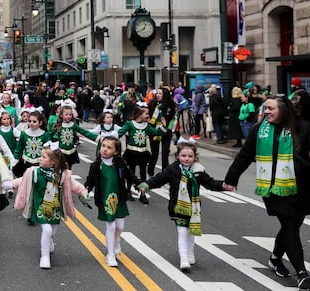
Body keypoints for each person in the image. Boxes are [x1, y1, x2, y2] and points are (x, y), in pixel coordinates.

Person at [223, 95, 310, 290]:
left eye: (271, 108)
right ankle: (302, 273)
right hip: (273, 187)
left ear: (284, 110)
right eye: (265, 108)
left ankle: (275, 257)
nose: (266, 112)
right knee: (289, 226)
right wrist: (231, 179)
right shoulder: (258, 130)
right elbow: (245, 155)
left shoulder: (301, 127)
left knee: (293, 224)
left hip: (301, 185)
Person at [140, 139, 224, 271]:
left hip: (194, 207)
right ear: (177, 156)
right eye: (183, 156)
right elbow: (159, 179)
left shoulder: (198, 170)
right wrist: (147, 185)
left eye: (190, 156)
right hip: (177, 205)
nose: (186, 158)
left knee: (191, 230)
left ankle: (190, 253)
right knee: (182, 230)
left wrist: (224, 185)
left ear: (195, 157)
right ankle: (184, 258)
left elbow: (210, 184)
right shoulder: (172, 169)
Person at [13, 143, 89, 269]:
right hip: (40, 208)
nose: (40, 159)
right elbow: (23, 180)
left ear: (53, 162)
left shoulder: (62, 175)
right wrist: (11, 184)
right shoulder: (35, 172)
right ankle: (44, 256)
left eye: (43, 157)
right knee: (47, 230)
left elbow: (72, 184)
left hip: (54, 208)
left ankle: (50, 240)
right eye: (41, 156)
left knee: (52, 231)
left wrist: (82, 191)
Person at [84, 136, 137, 267]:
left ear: (116, 152)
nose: (105, 149)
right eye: (103, 146)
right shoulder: (96, 165)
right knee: (111, 226)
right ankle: (110, 254)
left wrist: (139, 184)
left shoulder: (120, 164)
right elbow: (90, 180)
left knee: (120, 227)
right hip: (105, 199)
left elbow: (129, 175)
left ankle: (115, 240)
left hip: (119, 198)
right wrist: (86, 189)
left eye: (109, 147)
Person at [119, 105, 167, 204]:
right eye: (146, 113)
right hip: (131, 152)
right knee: (130, 173)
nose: (148, 116)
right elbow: (120, 133)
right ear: (140, 114)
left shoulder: (147, 126)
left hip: (143, 153)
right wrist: (110, 137)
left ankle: (142, 194)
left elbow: (156, 133)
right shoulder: (130, 124)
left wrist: (163, 126)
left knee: (143, 174)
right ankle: (128, 191)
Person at [146, 87, 178, 174]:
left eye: (160, 94)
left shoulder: (170, 105)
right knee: (154, 154)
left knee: (165, 155)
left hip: (165, 131)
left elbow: (172, 118)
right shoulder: (152, 104)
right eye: (157, 93)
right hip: (154, 130)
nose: (158, 95)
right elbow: (147, 114)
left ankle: (165, 174)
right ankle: (150, 171)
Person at [13, 110, 52, 177]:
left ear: (40, 123)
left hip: (39, 164)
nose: (31, 123)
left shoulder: (45, 135)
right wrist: (15, 160)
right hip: (25, 163)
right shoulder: (24, 134)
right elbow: (19, 148)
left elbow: (48, 151)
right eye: (30, 121)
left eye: (34, 121)